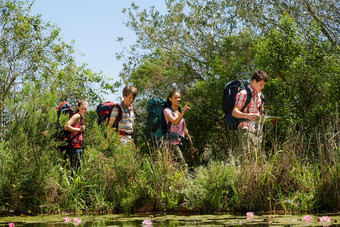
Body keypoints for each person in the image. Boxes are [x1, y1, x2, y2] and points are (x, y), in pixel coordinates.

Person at [232, 70, 269, 158]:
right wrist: (247, 116)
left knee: (257, 157)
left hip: (257, 131)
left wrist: (267, 119)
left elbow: (261, 114)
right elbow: (235, 112)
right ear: (254, 81)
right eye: (261, 84)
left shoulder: (260, 96)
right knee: (245, 157)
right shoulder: (244, 93)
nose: (263, 87)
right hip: (245, 129)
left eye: (264, 85)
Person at [164, 90, 195, 165]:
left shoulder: (180, 112)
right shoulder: (167, 111)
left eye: (179, 97)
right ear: (170, 99)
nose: (178, 99)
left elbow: (185, 129)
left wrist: (191, 144)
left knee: (176, 166)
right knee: (183, 165)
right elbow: (175, 122)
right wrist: (183, 111)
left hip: (181, 143)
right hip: (172, 144)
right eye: (175, 97)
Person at [64, 100, 88, 173]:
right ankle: (72, 184)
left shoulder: (80, 117)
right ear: (78, 107)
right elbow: (65, 126)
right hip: (73, 148)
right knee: (76, 172)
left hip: (77, 147)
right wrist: (78, 130)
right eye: (82, 108)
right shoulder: (77, 116)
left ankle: (72, 184)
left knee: (76, 171)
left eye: (85, 109)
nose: (84, 110)